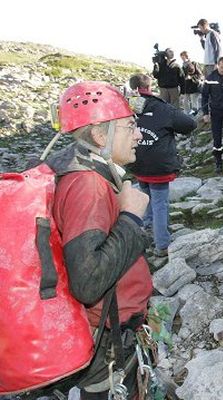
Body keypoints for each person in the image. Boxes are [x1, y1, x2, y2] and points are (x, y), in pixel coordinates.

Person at [45, 81, 153, 397]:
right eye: (130, 126)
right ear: (100, 136)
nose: (138, 135)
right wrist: (131, 218)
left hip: (106, 331)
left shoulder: (75, 168)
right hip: (105, 343)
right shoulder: (87, 186)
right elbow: (89, 282)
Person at [128, 74, 197, 257]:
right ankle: (162, 245)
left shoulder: (126, 107)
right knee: (160, 203)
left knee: (147, 199)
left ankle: (147, 232)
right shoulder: (162, 108)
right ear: (150, 86)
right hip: (158, 167)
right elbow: (189, 124)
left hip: (138, 164)